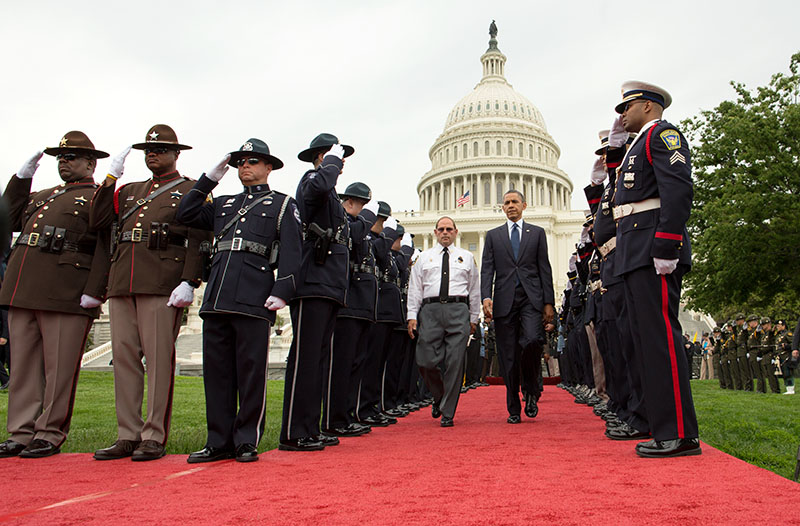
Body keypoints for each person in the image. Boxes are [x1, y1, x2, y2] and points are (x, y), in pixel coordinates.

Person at [90, 124, 212, 461]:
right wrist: (111, 179)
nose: (153, 154)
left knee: (159, 361)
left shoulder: (189, 189)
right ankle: (127, 433)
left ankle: (154, 434)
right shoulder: (129, 190)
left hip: (162, 281)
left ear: (176, 154)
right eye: (148, 150)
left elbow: (199, 237)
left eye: (159, 149)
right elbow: (98, 219)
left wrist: (190, 280)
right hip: (123, 281)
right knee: (125, 359)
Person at [176, 138, 302, 463]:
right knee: (217, 375)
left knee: (250, 373)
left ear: (268, 167)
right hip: (217, 296)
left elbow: (291, 252)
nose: (245, 167)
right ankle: (218, 441)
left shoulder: (283, 204)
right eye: (240, 162)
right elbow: (185, 213)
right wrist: (209, 179)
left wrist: (282, 290)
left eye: (253, 161)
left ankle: (246, 439)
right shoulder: (223, 204)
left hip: (254, 295)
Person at [0, 131, 111, 458]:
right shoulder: (43, 195)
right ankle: (20, 432)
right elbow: (9, 216)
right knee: (22, 368)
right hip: (24, 289)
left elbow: (105, 247)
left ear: (90, 163)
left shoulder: (96, 198)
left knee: (60, 369)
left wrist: (94, 291)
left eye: (72, 157)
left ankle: (49, 432)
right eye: (61, 157)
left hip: (66, 291)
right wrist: (22, 178)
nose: (64, 162)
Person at [612, 81, 700, 458]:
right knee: (646, 343)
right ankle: (655, 421)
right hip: (636, 250)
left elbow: (677, 191)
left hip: (653, 249)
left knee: (662, 342)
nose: (622, 114)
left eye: (626, 107)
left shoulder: (662, 136)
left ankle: (678, 432)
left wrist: (667, 244)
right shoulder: (638, 143)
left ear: (647, 106)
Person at [279, 133, 353, 451]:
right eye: (336, 156)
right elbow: (320, 186)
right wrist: (330, 163)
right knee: (306, 359)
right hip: (312, 282)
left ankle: (310, 426)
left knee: (319, 359)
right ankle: (294, 432)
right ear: (322, 157)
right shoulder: (313, 181)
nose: (342, 163)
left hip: (329, 284)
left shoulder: (331, 196)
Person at [480, 190, 555, 424]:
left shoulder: (537, 233)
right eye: (506, 203)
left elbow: (545, 268)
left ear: (524, 205)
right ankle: (513, 407)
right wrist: (485, 297)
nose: (510, 205)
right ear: (502, 208)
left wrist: (548, 303)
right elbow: (487, 269)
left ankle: (531, 389)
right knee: (508, 356)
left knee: (533, 340)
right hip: (504, 300)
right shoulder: (493, 236)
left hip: (531, 299)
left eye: (514, 202)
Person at [407, 216, 480, 427]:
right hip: (430, 310)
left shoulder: (466, 257)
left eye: (449, 229)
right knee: (425, 360)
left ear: (456, 232)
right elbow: (415, 288)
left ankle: (448, 412)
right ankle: (439, 395)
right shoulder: (424, 258)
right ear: (435, 232)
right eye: (441, 229)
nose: (445, 232)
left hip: (458, 310)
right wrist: (412, 315)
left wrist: (473, 317)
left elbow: (474, 289)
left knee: (455, 362)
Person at [320, 182, 378, 437]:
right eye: (363, 205)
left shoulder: (357, 227)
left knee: (355, 364)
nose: (366, 212)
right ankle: (334, 418)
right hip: (347, 303)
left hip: (361, 305)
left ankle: (346, 415)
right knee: (341, 366)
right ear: (351, 202)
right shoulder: (344, 222)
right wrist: (365, 219)